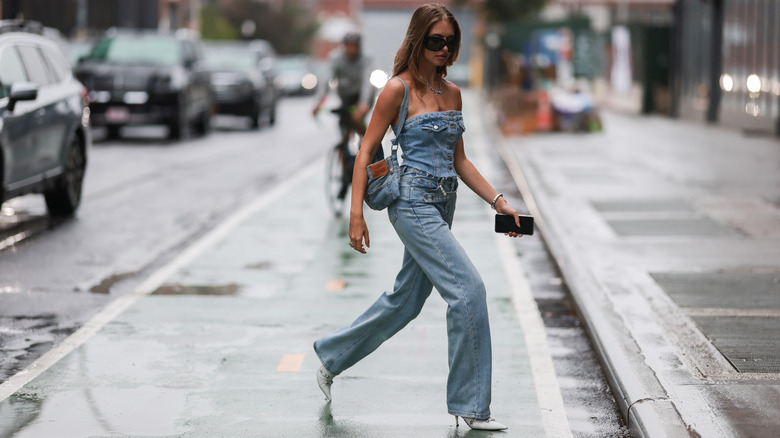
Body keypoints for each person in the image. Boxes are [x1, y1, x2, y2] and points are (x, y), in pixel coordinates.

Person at [313, 3, 524, 431]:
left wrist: (497, 200)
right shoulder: (398, 89)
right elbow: (366, 152)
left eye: (450, 42)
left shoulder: (454, 93)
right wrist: (356, 215)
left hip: (444, 202)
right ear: (417, 40)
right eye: (435, 41)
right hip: (411, 201)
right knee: (468, 291)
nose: (444, 49)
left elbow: (460, 161)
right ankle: (470, 405)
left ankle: (330, 357)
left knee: (405, 303)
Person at [312, 31, 374, 135]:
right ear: (344, 46)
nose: (351, 49)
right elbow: (326, 80)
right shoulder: (336, 58)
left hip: (362, 96)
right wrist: (318, 102)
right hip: (346, 95)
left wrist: (363, 103)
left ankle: (365, 144)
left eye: (354, 46)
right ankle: (344, 147)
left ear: (359, 46)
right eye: (348, 46)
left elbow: (366, 83)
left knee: (357, 119)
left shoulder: (366, 59)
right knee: (343, 123)